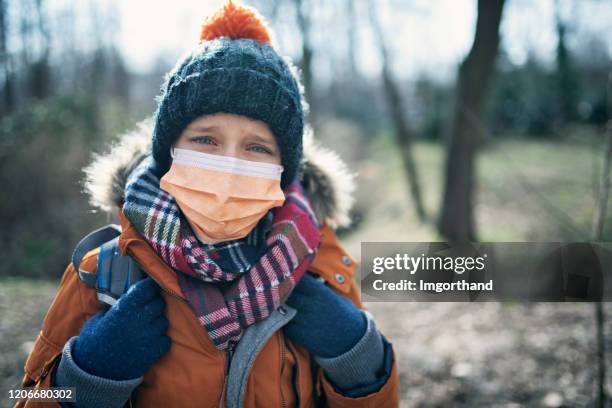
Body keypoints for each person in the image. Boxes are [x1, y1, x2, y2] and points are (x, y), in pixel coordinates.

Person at [14, 1, 400, 407]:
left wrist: (359, 358)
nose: (229, 165)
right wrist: (88, 378)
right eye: (205, 140)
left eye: (257, 147)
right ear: (169, 152)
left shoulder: (324, 270)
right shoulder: (104, 274)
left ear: (284, 169)